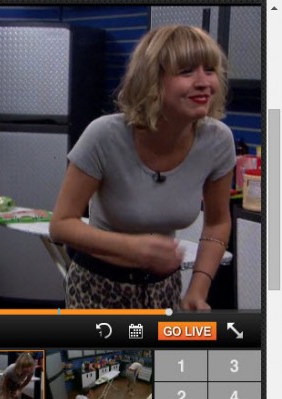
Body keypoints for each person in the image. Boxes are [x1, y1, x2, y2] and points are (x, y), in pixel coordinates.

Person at [50, 25, 235, 311]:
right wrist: (132, 248)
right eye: (187, 71)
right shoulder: (104, 135)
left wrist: (198, 290)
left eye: (210, 70)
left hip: (164, 289)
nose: (203, 82)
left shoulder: (218, 141)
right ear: (152, 80)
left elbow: (217, 222)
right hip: (97, 288)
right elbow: (61, 225)